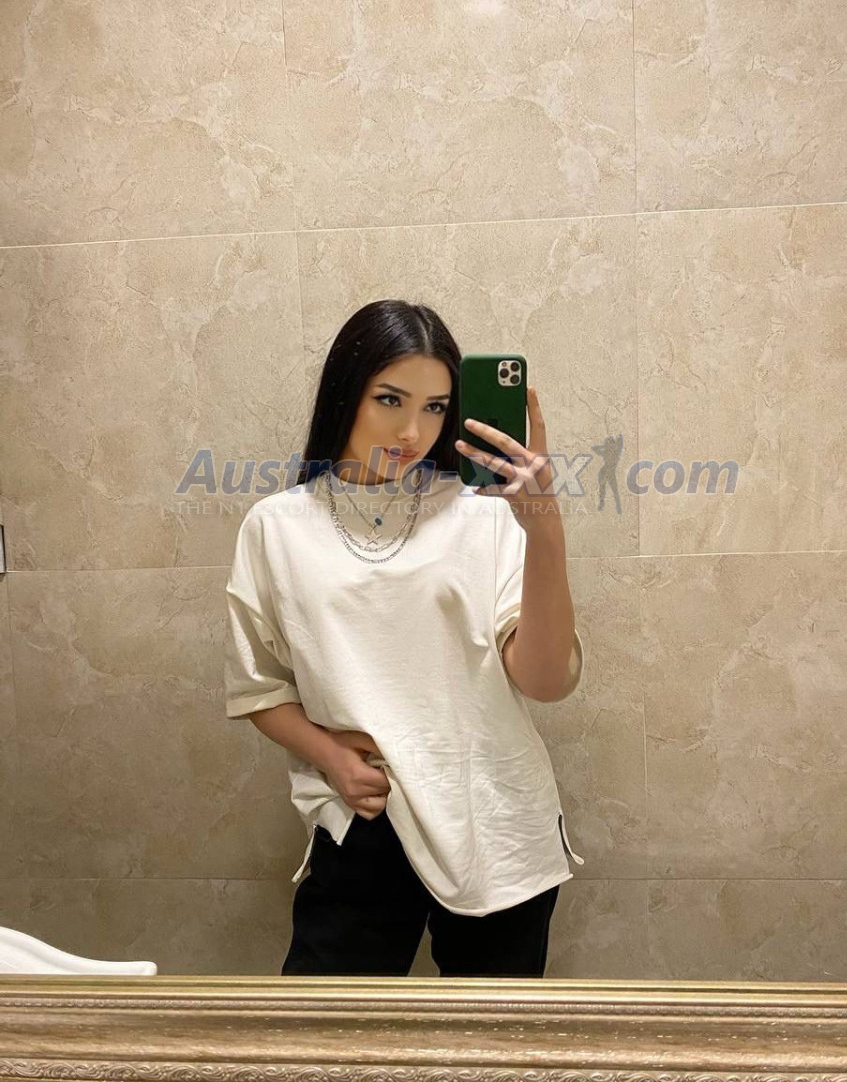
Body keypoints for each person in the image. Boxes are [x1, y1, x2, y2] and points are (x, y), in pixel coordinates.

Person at [223, 299, 585, 978]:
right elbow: (259, 686)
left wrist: (544, 527)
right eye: (390, 399)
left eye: (436, 407)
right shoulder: (276, 527)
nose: (413, 431)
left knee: (492, 1039)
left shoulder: (486, 515)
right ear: (346, 392)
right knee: (326, 1033)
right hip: (363, 813)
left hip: (494, 821)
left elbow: (543, 680)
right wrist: (329, 756)